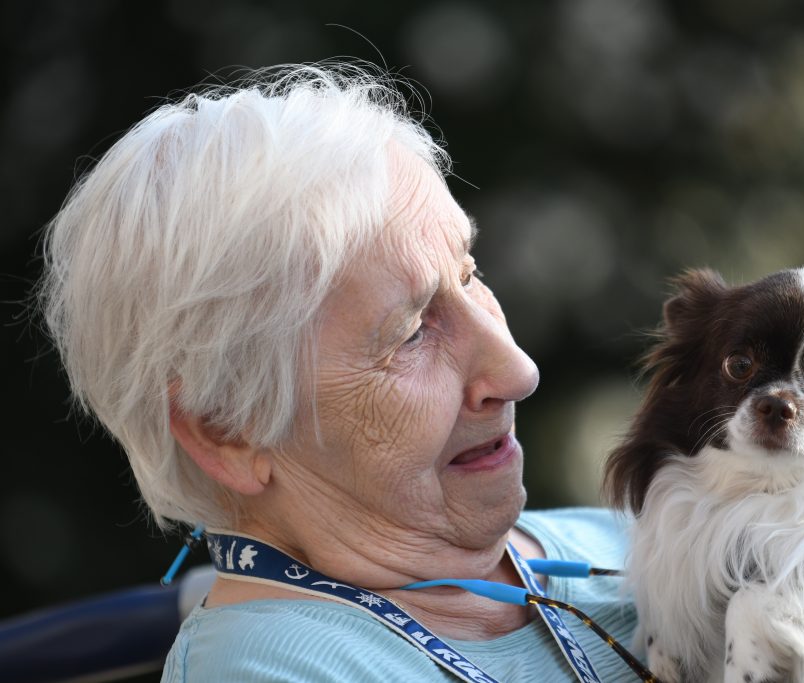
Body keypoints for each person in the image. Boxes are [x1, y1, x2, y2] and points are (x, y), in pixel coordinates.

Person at [39, 63, 639, 681]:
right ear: (226, 430)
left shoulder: (650, 533)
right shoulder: (268, 671)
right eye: (411, 332)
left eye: (469, 275)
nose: (517, 371)